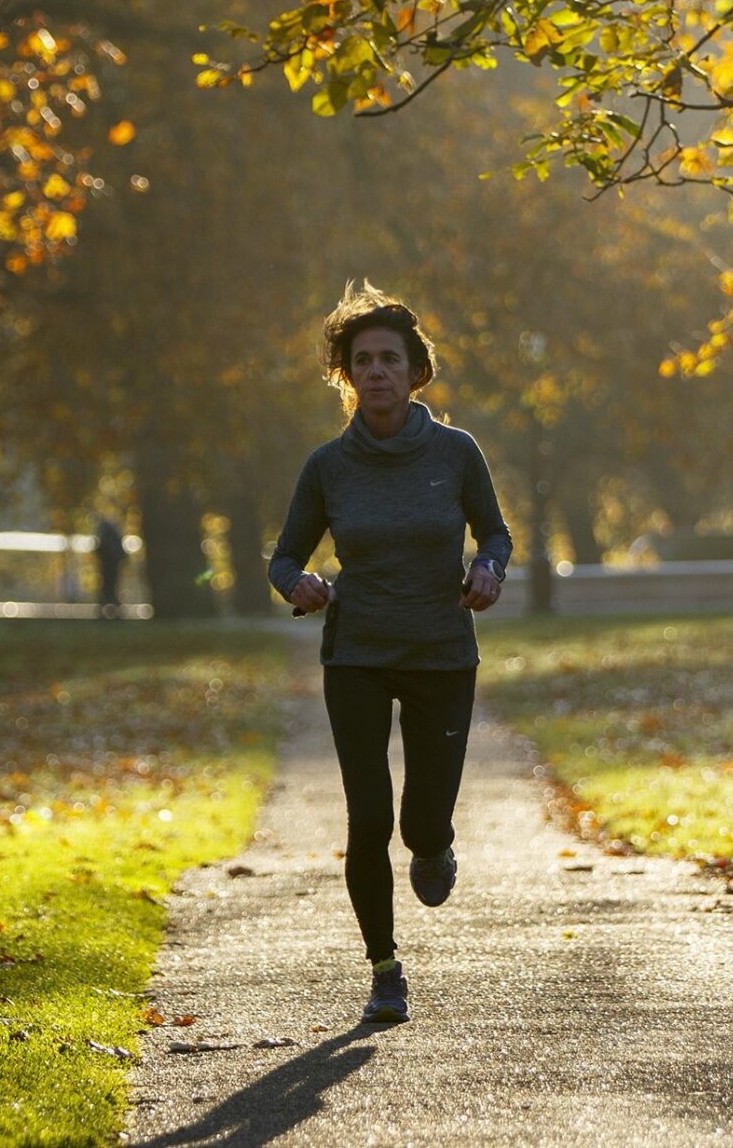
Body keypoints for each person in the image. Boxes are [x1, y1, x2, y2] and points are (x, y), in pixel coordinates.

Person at [267, 283, 512, 1024]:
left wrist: (488, 570)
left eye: (389, 359)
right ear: (346, 375)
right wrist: (299, 585)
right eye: (362, 360)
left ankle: (435, 845)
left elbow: (496, 535)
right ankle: (385, 969)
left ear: (415, 372)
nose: (376, 371)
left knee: (420, 827)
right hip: (359, 655)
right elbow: (283, 558)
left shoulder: (456, 452)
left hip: (442, 652)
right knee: (367, 817)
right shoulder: (327, 466)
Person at [92, 517, 127, 618]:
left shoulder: (105, 535)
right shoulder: (114, 536)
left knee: (107, 589)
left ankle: (105, 612)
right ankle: (115, 612)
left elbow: (99, 549)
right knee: (112, 588)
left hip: (107, 566)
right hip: (112, 566)